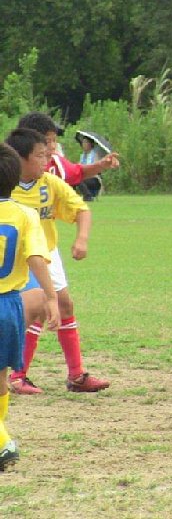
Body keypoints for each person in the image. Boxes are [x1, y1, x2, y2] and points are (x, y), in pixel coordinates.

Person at [5, 128, 109, 394]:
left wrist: (81, 239)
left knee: (63, 306)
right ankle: (17, 375)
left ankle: (76, 375)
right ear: (20, 157)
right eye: (41, 154)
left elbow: (81, 210)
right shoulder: (6, 186)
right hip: (19, 258)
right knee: (35, 306)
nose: (47, 159)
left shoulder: (50, 183)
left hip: (46, 253)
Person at [0, 143, 59, 470]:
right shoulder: (25, 214)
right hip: (9, 306)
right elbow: (36, 257)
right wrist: (51, 297)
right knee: (1, 378)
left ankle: (3, 442)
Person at [17, 113, 119, 190]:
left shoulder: (56, 164)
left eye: (55, 140)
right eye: (47, 141)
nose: (53, 146)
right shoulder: (10, 167)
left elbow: (79, 173)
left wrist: (101, 165)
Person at [76, 137, 103, 201]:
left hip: (94, 178)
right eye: (83, 142)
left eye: (86, 142)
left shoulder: (95, 155)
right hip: (84, 177)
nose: (83, 144)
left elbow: (95, 168)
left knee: (79, 180)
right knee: (73, 179)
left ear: (91, 144)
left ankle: (88, 196)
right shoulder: (82, 156)